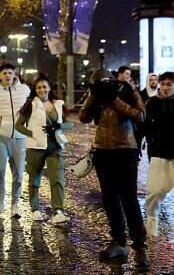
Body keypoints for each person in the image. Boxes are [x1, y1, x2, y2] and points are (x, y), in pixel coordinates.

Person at [79, 69, 148, 269]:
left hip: (125, 151)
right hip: (103, 152)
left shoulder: (127, 91)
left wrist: (115, 100)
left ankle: (140, 248)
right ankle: (118, 241)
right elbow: (83, 117)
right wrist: (93, 95)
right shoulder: (96, 96)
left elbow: (141, 115)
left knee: (129, 199)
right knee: (109, 199)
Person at [15, 75, 74, 224]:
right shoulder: (30, 105)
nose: (42, 89)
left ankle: (58, 212)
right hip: (36, 147)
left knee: (57, 179)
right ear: (35, 90)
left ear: (49, 88)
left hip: (55, 146)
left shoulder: (58, 104)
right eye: (39, 87)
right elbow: (18, 125)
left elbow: (69, 125)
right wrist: (33, 134)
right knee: (34, 179)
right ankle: (35, 209)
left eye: (44, 86)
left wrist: (58, 126)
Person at [0, 62, 30, 218]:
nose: (8, 75)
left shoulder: (25, 90)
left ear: (14, 74)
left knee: (19, 174)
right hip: (0, 137)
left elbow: (35, 110)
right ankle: (0, 203)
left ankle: (15, 205)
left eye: (10, 72)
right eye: (4, 73)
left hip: (20, 137)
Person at [144, 71, 174, 238]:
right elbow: (144, 125)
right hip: (158, 151)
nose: (165, 87)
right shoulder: (152, 103)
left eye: (169, 84)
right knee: (155, 189)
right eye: (163, 84)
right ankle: (151, 218)